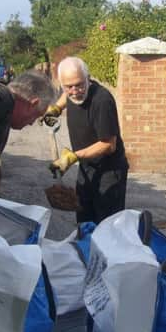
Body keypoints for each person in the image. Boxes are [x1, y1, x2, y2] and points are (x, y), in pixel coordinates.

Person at [43, 57, 128, 224]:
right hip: (86, 166)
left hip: (109, 171)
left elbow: (109, 145)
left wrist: (72, 157)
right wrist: (56, 109)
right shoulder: (70, 91)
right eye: (68, 87)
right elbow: (65, 97)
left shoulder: (102, 101)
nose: (75, 91)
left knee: (106, 224)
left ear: (88, 78)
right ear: (61, 85)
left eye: (79, 84)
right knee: (83, 217)